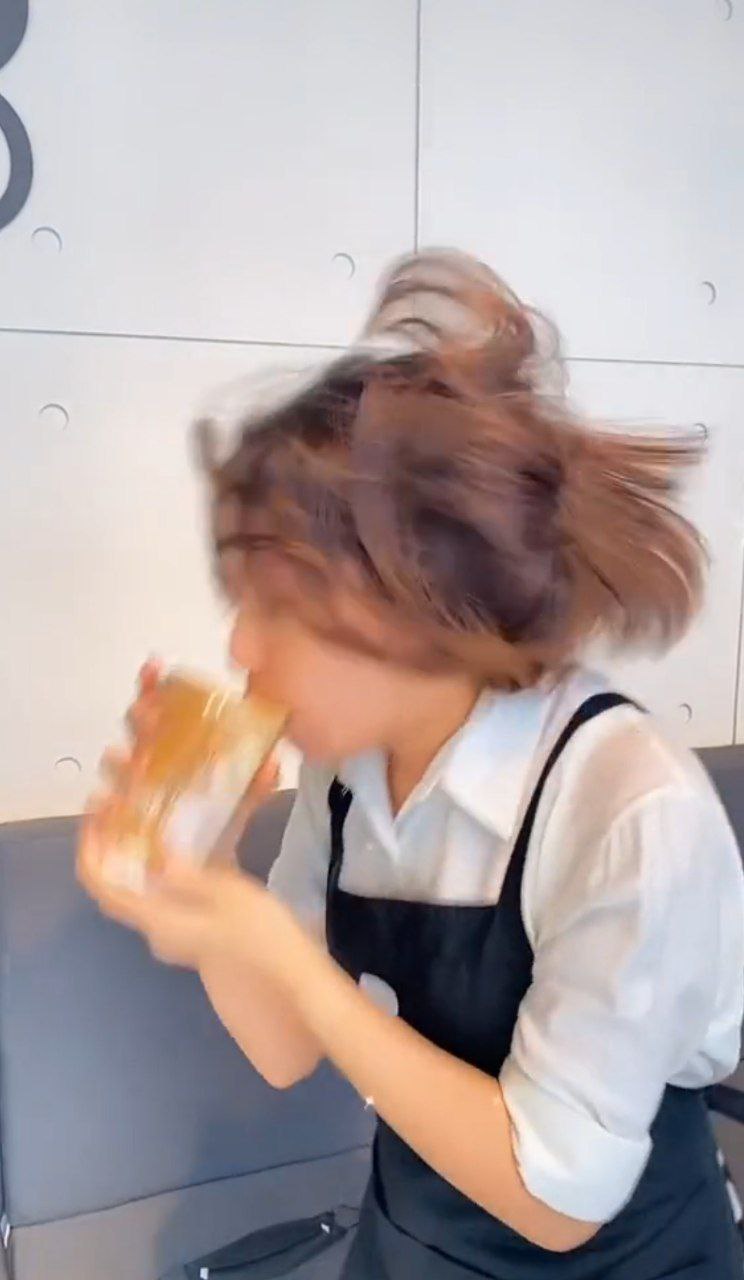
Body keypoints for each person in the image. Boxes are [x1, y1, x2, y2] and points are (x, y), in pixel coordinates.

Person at [79, 250, 744, 1278]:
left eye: (275, 606)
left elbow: (557, 1199)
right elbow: (283, 1048)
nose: (242, 647)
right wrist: (202, 873)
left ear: (412, 610)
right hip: (413, 1242)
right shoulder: (346, 774)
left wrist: (286, 955)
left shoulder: (629, 804)